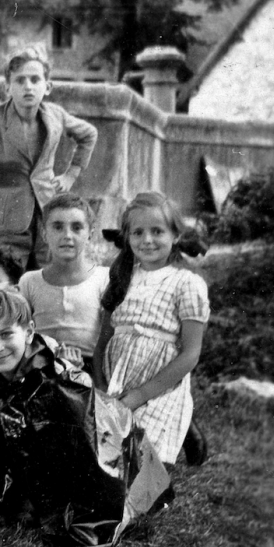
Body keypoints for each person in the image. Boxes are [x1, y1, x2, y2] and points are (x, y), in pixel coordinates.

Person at [0, 286, 134, 547]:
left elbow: (95, 456)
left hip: (108, 460)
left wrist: (92, 523)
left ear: (29, 332)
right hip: (41, 470)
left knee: (81, 522)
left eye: (6, 334)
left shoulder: (57, 385)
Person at [0, 45, 98, 269]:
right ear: (7, 87)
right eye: (20, 80)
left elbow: (89, 134)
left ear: (48, 86)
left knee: (46, 276)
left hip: (47, 212)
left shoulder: (55, 115)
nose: (28, 87)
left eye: (35, 80)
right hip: (8, 221)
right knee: (7, 276)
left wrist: (72, 174)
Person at [94, 193, 210, 466]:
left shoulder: (186, 283)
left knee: (138, 479)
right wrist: (100, 391)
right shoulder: (121, 278)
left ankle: (182, 436)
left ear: (176, 235)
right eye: (138, 232)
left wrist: (140, 395)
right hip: (115, 385)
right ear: (128, 237)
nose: (147, 240)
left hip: (158, 389)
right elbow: (102, 342)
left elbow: (191, 353)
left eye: (157, 231)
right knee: (103, 466)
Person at [17, 193, 109, 373]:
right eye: (58, 227)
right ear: (44, 233)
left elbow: (108, 339)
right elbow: (21, 334)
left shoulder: (103, 278)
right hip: (41, 367)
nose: (67, 235)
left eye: (76, 227)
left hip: (91, 368)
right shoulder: (29, 282)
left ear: (90, 234)